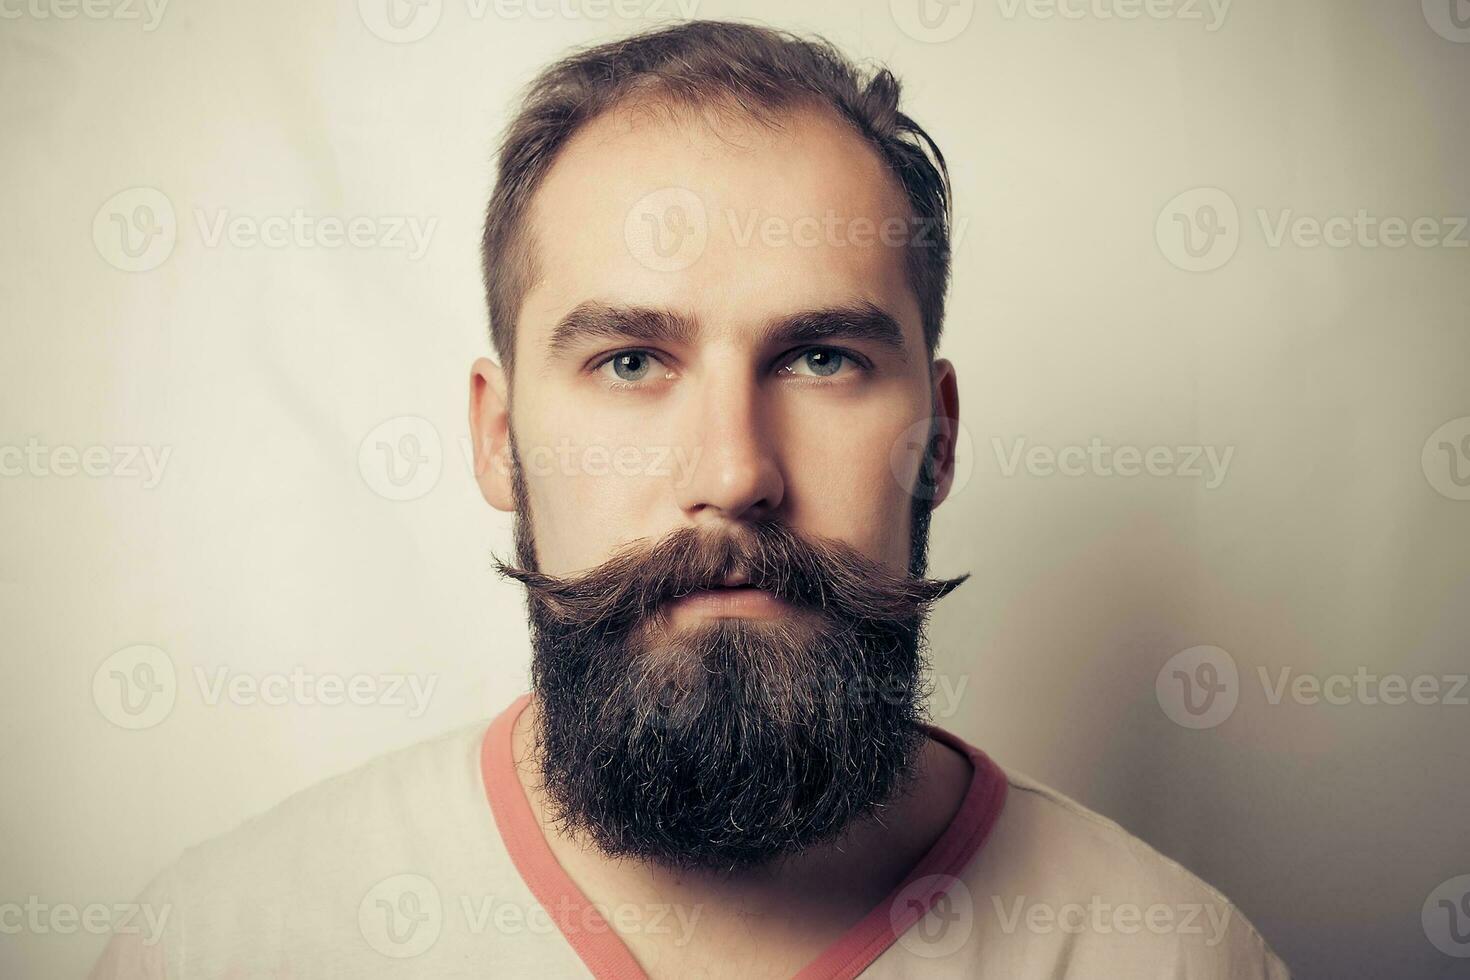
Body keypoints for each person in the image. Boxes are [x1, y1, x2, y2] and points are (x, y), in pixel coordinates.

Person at [93, 20, 1290, 979]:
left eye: (821, 358)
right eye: (629, 361)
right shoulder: (224, 942)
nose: (733, 472)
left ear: (938, 437)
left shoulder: (1177, 957)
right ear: (500, 438)